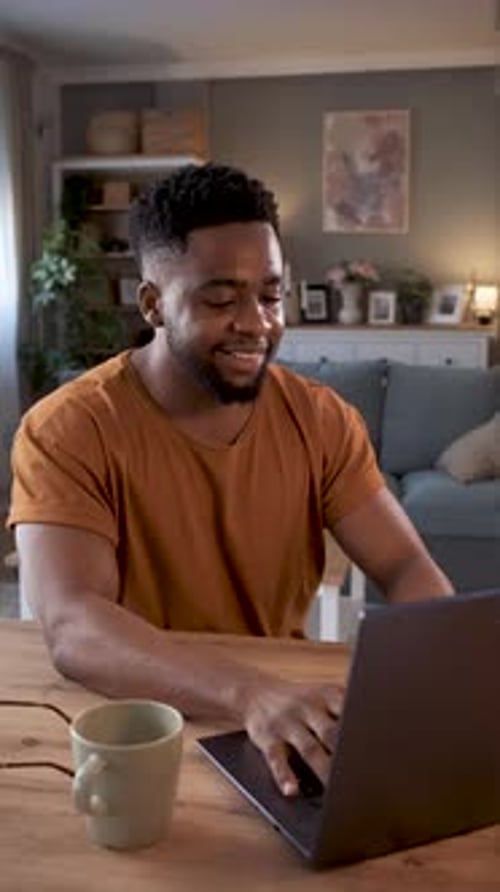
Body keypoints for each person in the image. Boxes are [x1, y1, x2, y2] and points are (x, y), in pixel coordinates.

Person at [8, 163, 453, 797]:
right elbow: (74, 624)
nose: (257, 323)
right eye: (220, 299)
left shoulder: (321, 419)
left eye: (270, 295)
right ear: (154, 304)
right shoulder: (67, 430)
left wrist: (439, 667)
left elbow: (406, 566)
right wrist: (250, 692)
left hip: (278, 719)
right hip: (129, 724)